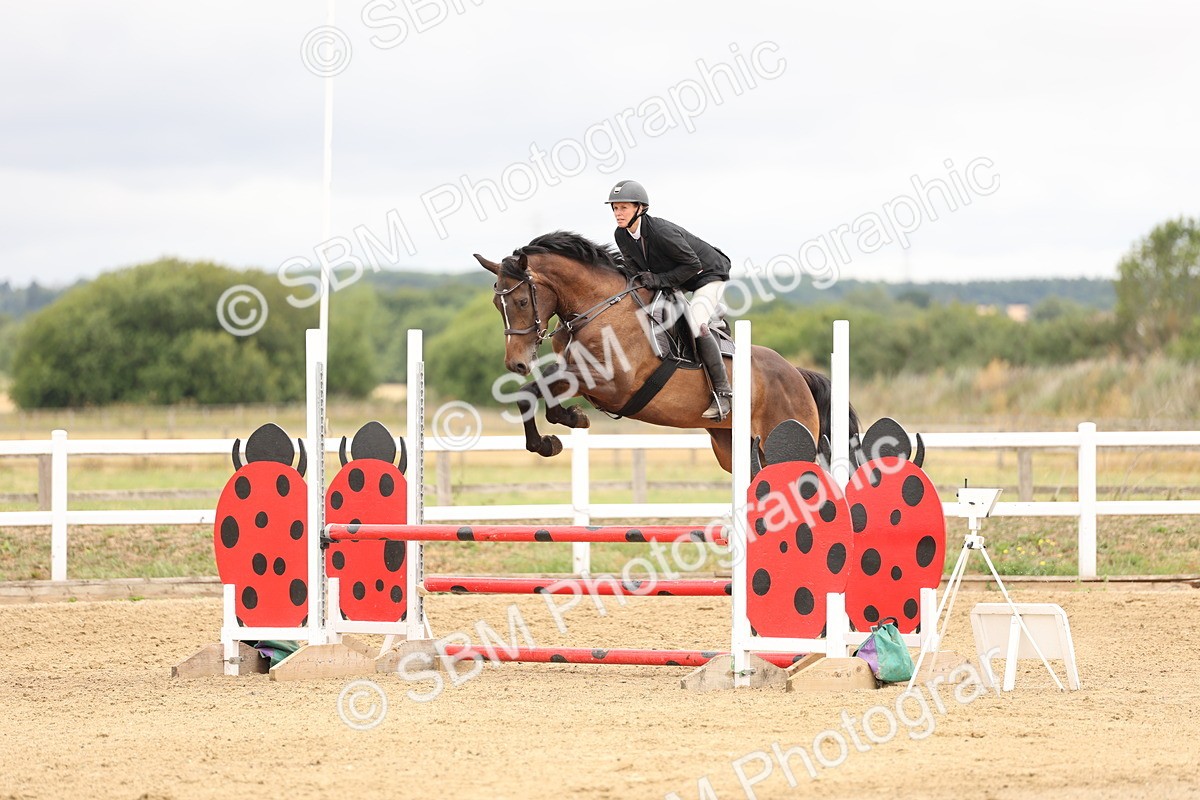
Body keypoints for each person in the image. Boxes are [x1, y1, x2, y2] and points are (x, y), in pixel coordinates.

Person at [606, 179, 733, 420]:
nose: (617, 213)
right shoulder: (621, 235)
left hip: (706, 275)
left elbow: (692, 265)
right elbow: (635, 269)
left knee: (696, 324)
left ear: (639, 208)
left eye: (623, 207)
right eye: (614, 208)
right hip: (677, 279)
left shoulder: (661, 232)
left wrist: (658, 279)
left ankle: (723, 394)